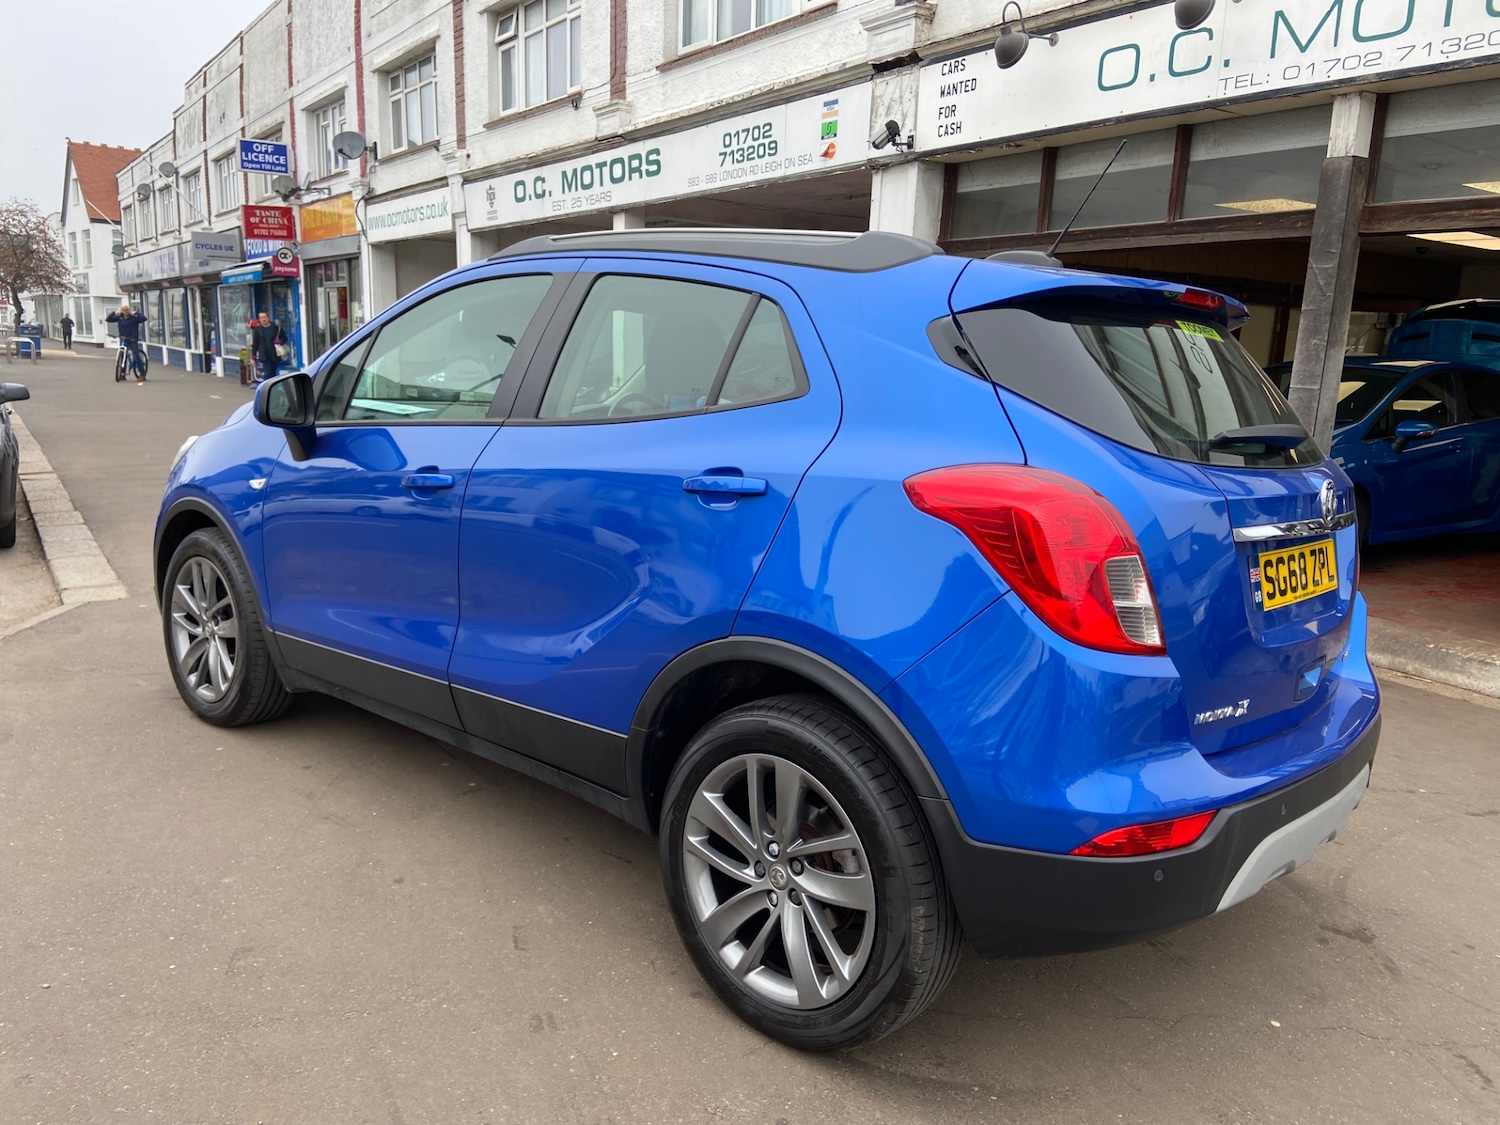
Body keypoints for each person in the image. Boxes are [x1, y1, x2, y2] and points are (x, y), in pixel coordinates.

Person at [106, 304, 148, 382]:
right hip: (123, 339)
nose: (125, 311)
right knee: (123, 356)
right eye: (123, 310)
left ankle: (142, 374)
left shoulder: (134, 318)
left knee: (136, 356)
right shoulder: (120, 318)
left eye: (127, 310)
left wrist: (136, 314)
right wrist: (114, 313)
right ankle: (122, 374)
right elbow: (108, 319)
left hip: (132, 339)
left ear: (129, 310)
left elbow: (144, 319)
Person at [249, 311, 286, 383]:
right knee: (268, 373)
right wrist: (253, 356)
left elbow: (284, 338)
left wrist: (280, 341)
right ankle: (266, 388)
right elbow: (255, 343)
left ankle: (271, 387)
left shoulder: (276, 328)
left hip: (275, 354)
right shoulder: (258, 330)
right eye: (261, 318)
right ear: (259, 319)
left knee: (273, 372)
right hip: (264, 355)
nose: (263, 319)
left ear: (268, 317)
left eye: (265, 317)